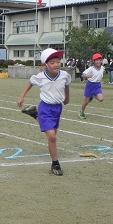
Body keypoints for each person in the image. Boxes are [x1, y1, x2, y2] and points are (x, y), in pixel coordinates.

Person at [17, 48, 71, 176]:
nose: (56, 64)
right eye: (52, 62)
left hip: (57, 108)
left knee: (52, 138)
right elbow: (30, 82)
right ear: (45, 65)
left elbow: (67, 85)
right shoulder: (41, 77)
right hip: (45, 107)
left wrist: (67, 97)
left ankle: (35, 115)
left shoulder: (64, 75)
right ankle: (55, 163)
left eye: (58, 61)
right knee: (52, 136)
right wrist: (22, 96)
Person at [79, 53, 104, 119]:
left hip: (97, 85)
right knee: (86, 101)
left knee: (101, 99)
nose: (98, 62)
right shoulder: (91, 69)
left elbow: (100, 76)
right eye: (97, 60)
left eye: (100, 60)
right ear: (94, 61)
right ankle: (81, 112)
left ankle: (94, 96)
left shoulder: (102, 68)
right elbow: (83, 74)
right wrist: (88, 76)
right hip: (90, 85)